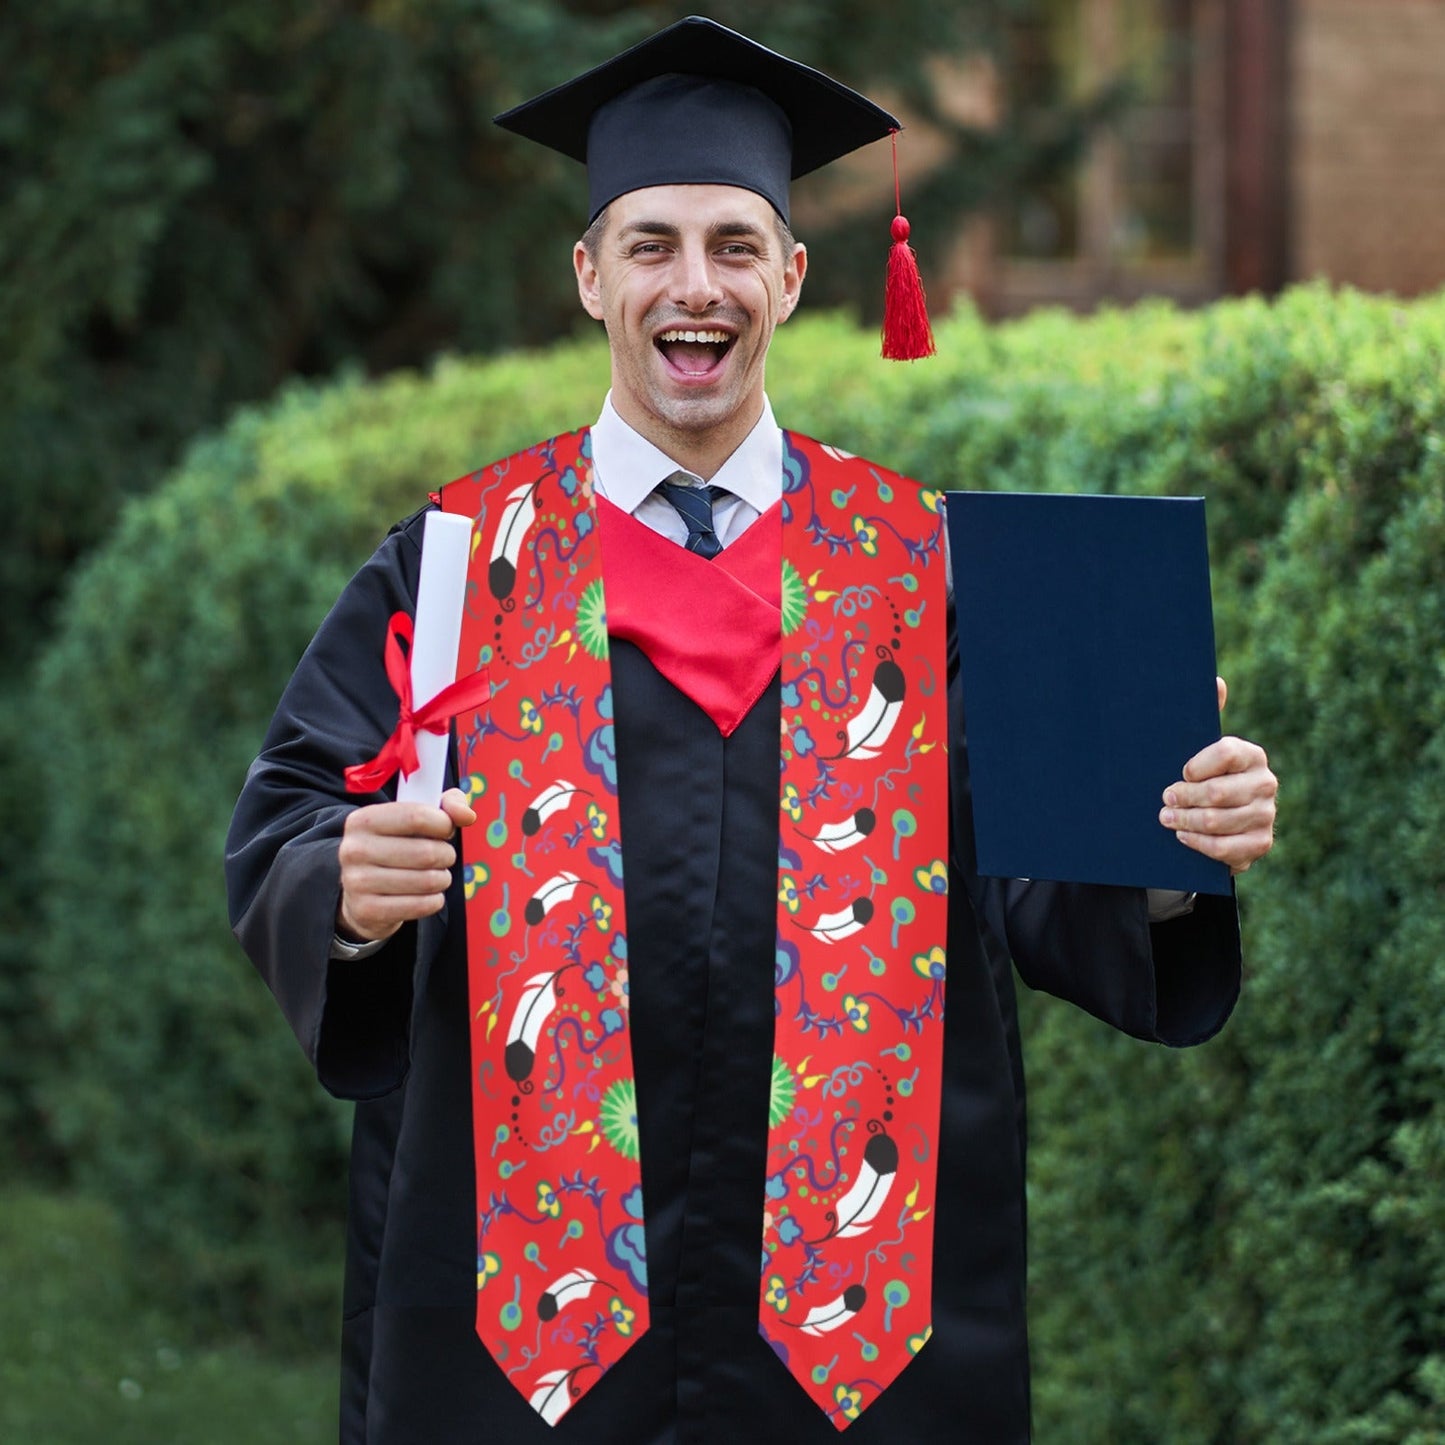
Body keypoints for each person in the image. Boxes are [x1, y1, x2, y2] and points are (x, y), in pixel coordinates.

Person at [225, 17, 1277, 1445]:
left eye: (732, 244)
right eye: (650, 244)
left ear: (790, 275)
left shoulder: (927, 568)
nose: (692, 285)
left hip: (860, 1328)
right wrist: (342, 889)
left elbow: (1040, 882)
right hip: (527, 1326)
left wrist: (1165, 845)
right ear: (589, 275)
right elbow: (290, 816)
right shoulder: (464, 565)